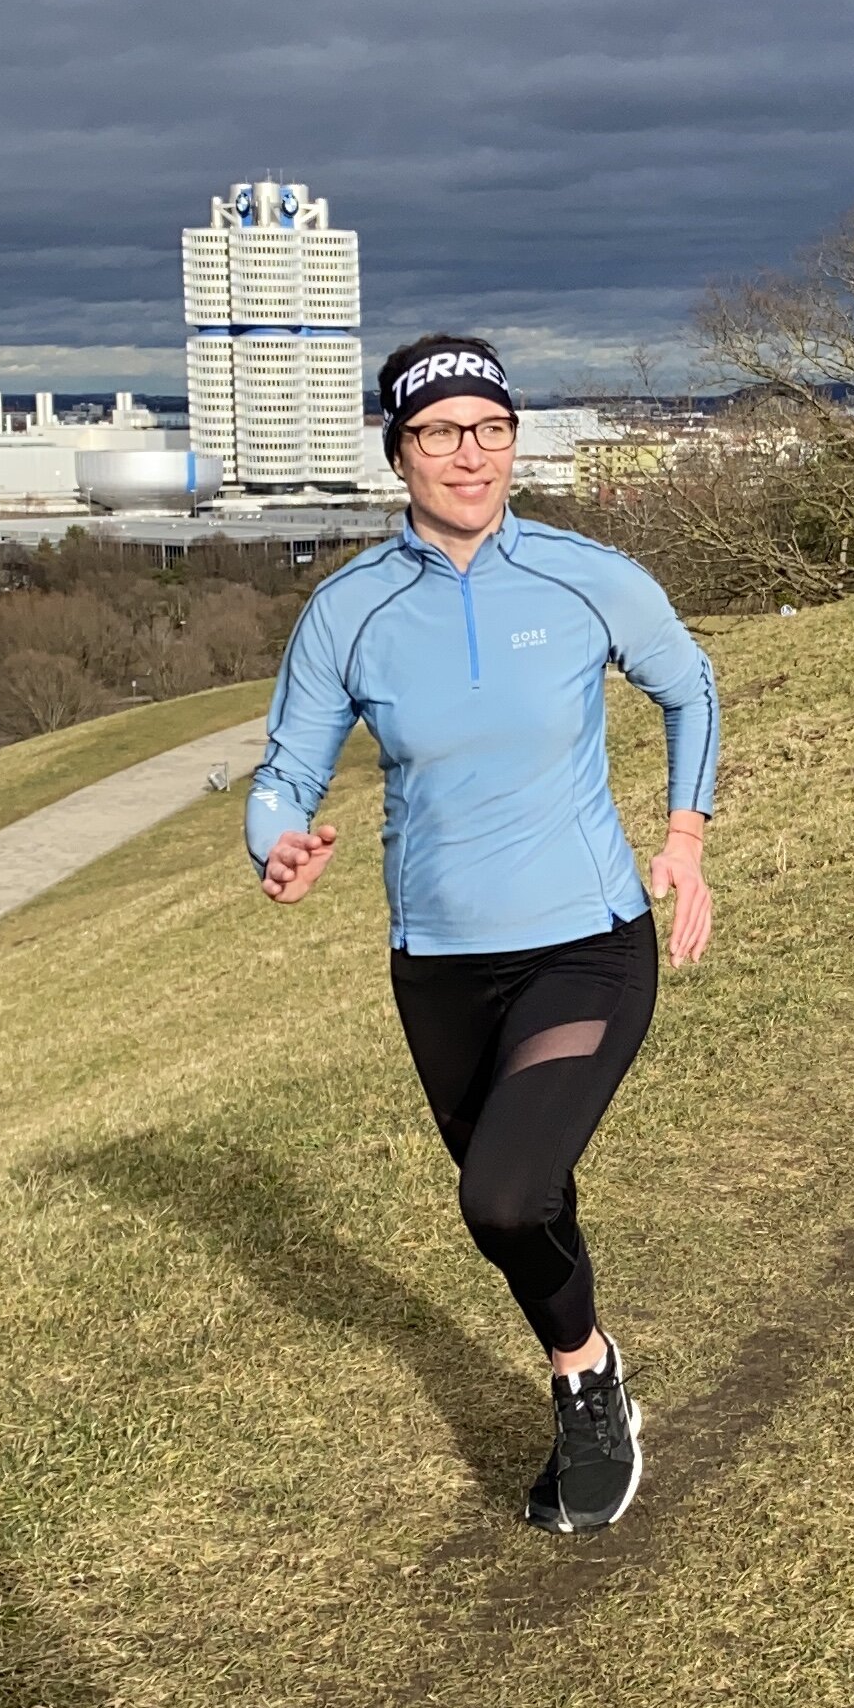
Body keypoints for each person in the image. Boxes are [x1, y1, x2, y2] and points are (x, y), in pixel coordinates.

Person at [246, 334, 719, 1532]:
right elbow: (284, 772)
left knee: (502, 1198)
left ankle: (582, 1382)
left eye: (493, 429)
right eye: (442, 433)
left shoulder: (582, 577)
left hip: (586, 943)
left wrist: (686, 838)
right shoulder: (350, 608)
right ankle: (593, 1361)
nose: (473, 455)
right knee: (527, 1192)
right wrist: (277, 843)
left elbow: (689, 684)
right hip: (439, 964)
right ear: (398, 452)